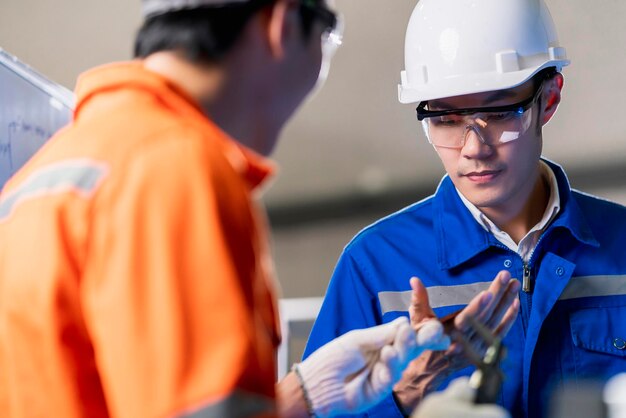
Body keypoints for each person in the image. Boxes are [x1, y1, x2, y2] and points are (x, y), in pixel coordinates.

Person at [0, 1, 460, 417]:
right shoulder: (175, 166)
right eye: (326, 38)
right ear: (282, 22)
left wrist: (302, 396)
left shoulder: (46, 172)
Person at [303, 0, 626, 417]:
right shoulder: (374, 267)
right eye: (445, 119)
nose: (473, 149)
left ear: (548, 99)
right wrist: (403, 397)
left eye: (498, 113)